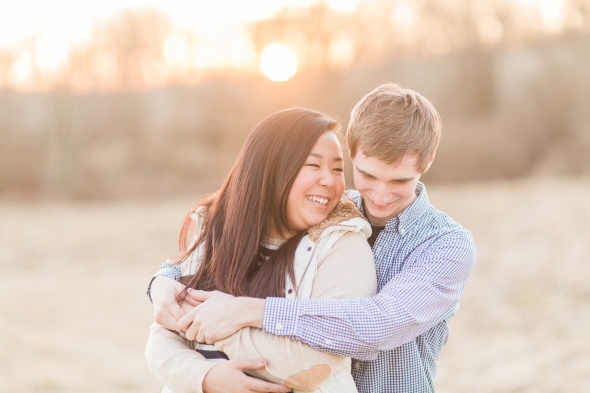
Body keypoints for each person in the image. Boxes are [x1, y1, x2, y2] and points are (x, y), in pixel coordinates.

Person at [151, 82, 477, 392]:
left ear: (428, 161)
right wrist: (162, 282)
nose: (380, 194)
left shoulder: (446, 245)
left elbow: (376, 327)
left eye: (399, 182)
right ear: (352, 152)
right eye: (367, 174)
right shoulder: (325, 208)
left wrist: (248, 311)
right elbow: (234, 238)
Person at [145, 107, 378, 393]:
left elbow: (319, 362)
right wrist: (206, 377)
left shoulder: (343, 244)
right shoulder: (217, 229)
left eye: (338, 168)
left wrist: (220, 327)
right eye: (314, 165)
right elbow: (161, 339)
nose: (330, 181)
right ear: (271, 169)